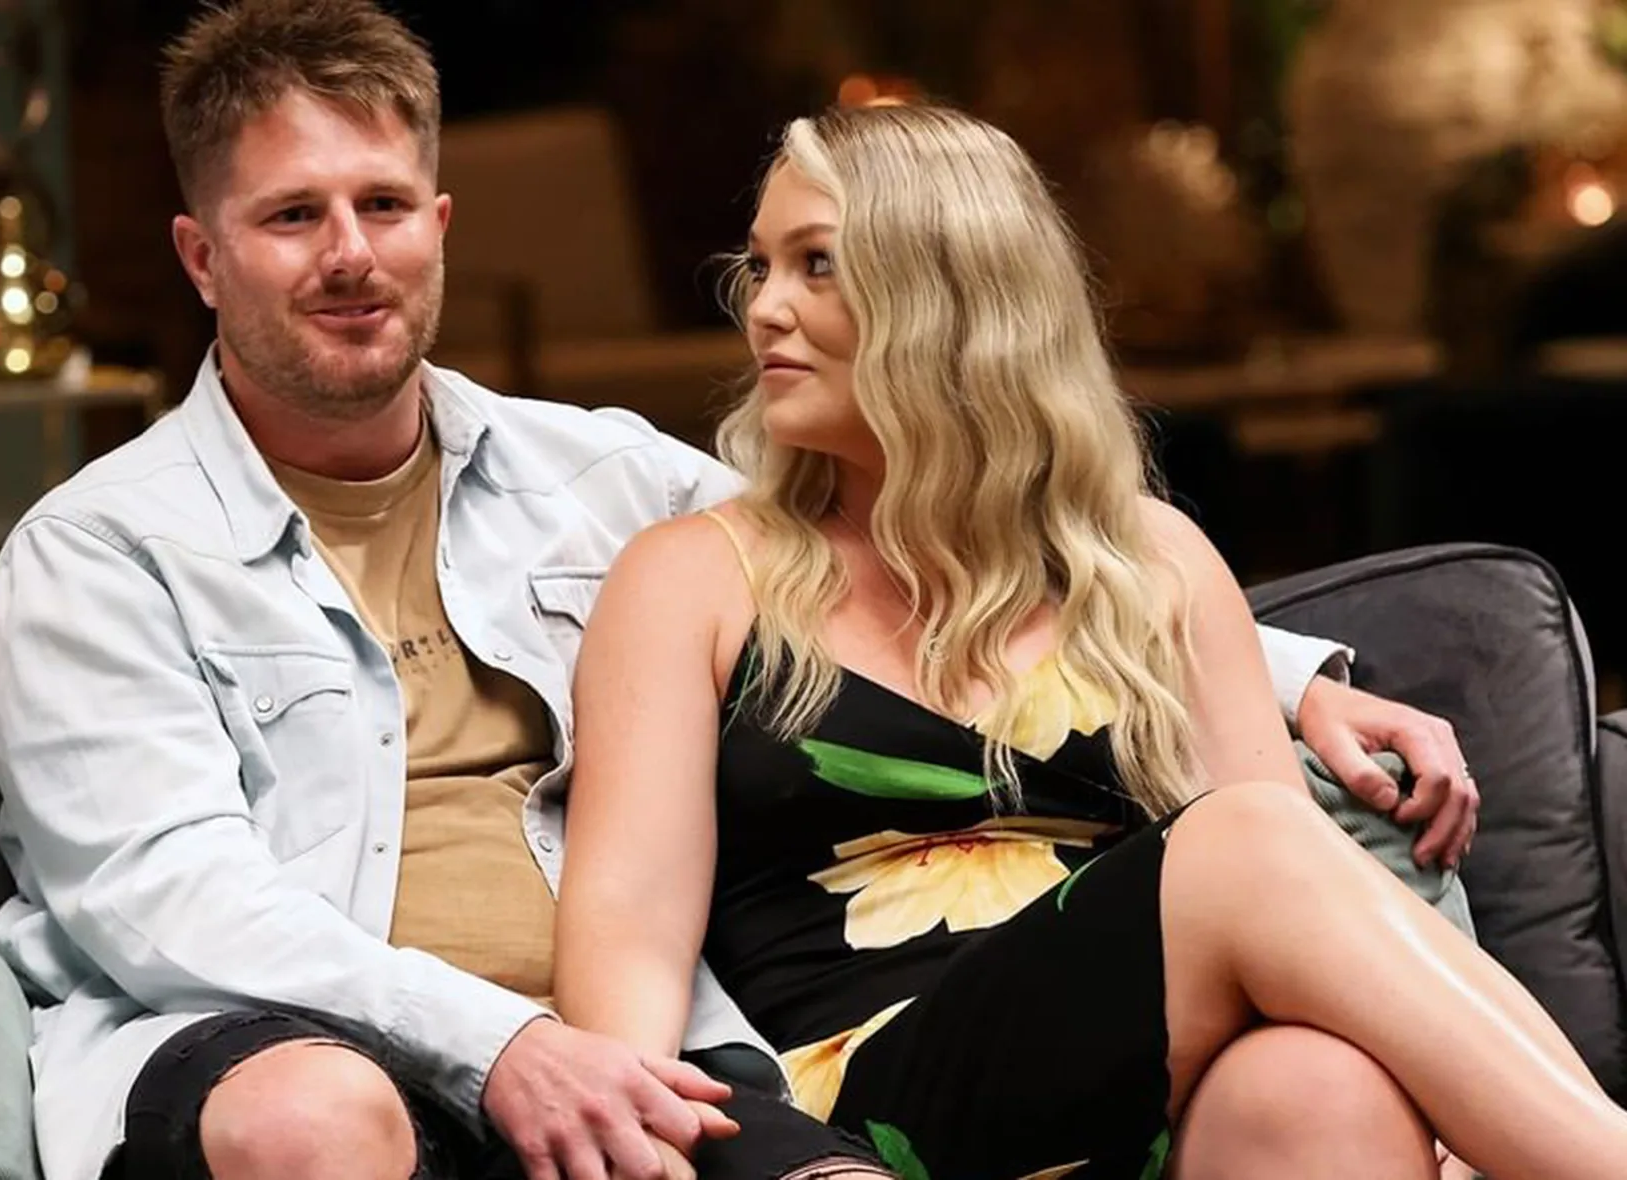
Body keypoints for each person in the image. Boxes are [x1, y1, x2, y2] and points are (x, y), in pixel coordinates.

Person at [0, 3, 1480, 1179]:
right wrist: (502, 1044)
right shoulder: (95, 554)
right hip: (305, 1044)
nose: (349, 256)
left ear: (440, 223)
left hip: (640, 1046)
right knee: (313, 1116)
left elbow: (934, 536)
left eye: (382, 203)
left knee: (1309, 1066)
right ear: (198, 255)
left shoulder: (595, 475)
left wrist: (1292, 680)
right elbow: (172, 900)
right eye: (292, 217)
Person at [550, 102, 1627, 1180]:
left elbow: (1312, 936)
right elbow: (628, 959)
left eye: (817, 265)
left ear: (951, 298)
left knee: (1317, 1082)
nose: (766, 310)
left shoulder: (1148, 560)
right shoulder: (691, 576)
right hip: (868, 1117)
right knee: (1244, 838)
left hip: (1142, 1098)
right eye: (762, 266)